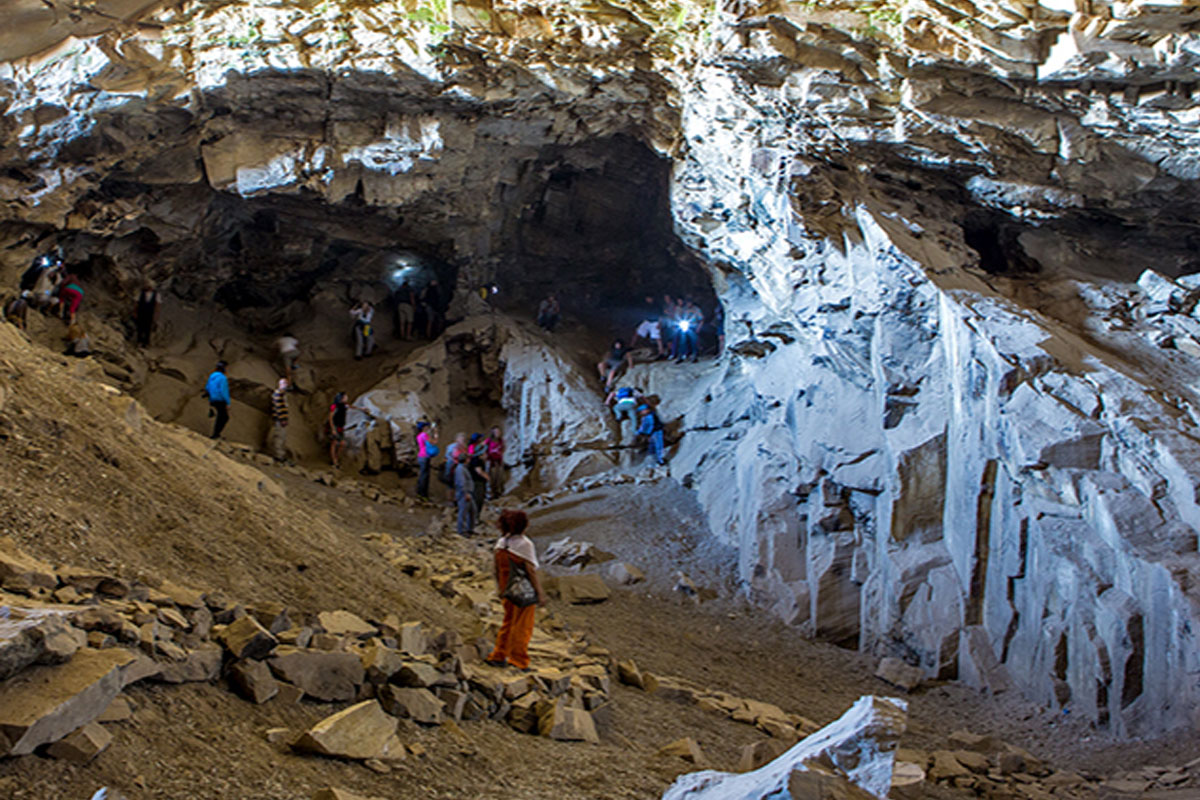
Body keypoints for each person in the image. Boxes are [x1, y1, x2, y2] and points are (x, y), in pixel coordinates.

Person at [486, 510, 545, 671]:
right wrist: (539, 592)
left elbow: (496, 569)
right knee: (523, 625)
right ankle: (518, 659)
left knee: (508, 622)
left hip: (506, 588)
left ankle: (498, 654)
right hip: (522, 590)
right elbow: (530, 570)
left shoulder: (501, 543)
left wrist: (499, 588)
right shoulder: (525, 545)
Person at [328, 392, 365, 470]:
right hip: (335, 426)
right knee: (334, 443)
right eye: (345, 397)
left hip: (340, 427)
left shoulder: (344, 405)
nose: (346, 398)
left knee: (341, 443)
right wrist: (332, 429)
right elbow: (330, 418)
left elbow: (351, 407)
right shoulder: (334, 406)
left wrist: (361, 409)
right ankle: (334, 461)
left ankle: (336, 458)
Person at [204, 361, 231, 439]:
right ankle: (216, 434)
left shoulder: (212, 376)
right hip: (220, 399)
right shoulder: (223, 378)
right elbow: (224, 391)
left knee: (220, 415)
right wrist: (228, 403)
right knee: (224, 417)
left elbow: (207, 387)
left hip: (212, 399)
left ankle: (216, 433)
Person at [453, 449, 476, 536]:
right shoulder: (460, 469)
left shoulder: (463, 468)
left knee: (472, 511)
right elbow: (461, 482)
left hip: (468, 493)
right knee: (463, 512)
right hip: (464, 493)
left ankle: (470, 529)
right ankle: (462, 530)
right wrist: (465, 493)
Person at [267, 378, 289, 462]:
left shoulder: (282, 394)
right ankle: (278, 456)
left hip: (281, 419)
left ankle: (280, 454)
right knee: (279, 436)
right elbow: (278, 408)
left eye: (286, 384)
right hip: (279, 419)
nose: (285, 385)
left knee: (282, 436)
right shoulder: (278, 394)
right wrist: (282, 419)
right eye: (284, 383)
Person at [674, 299, 703, 363]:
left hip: (693, 327)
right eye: (687, 303)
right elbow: (679, 316)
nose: (688, 304)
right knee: (682, 341)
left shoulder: (696, 309)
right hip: (684, 326)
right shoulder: (684, 309)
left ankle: (694, 355)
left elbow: (701, 319)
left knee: (693, 341)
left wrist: (699, 327)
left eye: (689, 303)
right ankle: (681, 355)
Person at [134, 282, 161, 347]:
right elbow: (136, 303)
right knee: (140, 327)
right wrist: (135, 312)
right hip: (141, 311)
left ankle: (146, 343)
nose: (149, 287)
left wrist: (156, 314)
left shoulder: (156, 294)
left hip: (150, 312)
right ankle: (139, 341)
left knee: (148, 328)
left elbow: (157, 305)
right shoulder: (140, 293)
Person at [415, 421, 437, 500]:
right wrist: (435, 433)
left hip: (421, 456)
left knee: (422, 475)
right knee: (425, 476)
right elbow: (433, 442)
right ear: (424, 428)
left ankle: (420, 493)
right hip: (425, 456)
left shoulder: (419, 436)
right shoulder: (424, 435)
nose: (428, 428)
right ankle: (423, 495)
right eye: (427, 427)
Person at [467, 433, 489, 511]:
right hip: (477, 481)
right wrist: (487, 477)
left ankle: (475, 517)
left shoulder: (476, 459)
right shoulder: (476, 460)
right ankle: (475, 517)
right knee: (478, 498)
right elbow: (478, 470)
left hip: (475, 480)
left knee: (477, 498)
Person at [484, 426, 506, 498]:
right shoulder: (489, 440)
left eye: (498, 432)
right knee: (491, 477)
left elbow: (503, 448)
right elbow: (482, 446)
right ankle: (490, 493)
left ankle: (497, 492)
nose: (498, 433)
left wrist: (500, 453)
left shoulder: (501, 440)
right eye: (496, 432)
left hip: (498, 461)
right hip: (491, 461)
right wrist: (486, 454)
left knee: (498, 477)